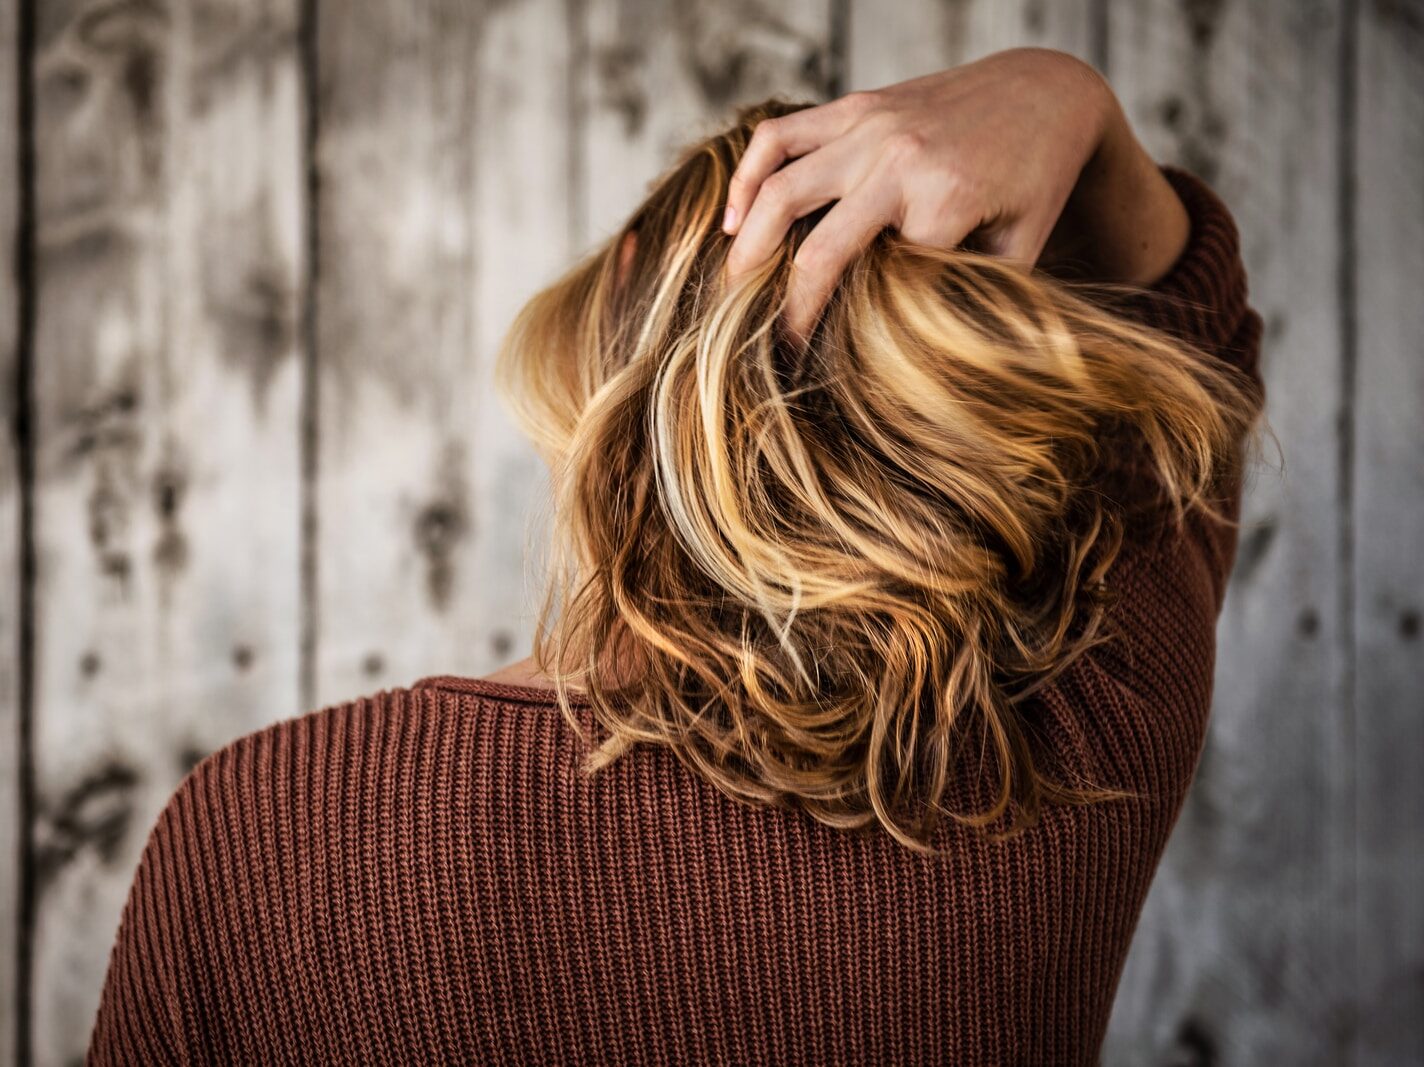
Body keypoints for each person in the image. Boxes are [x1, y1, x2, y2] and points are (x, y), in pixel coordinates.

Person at [88, 47, 1266, 1065]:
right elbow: (1197, 348)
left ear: (622, 292)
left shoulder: (261, 834)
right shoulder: (1073, 744)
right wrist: (1066, 102)